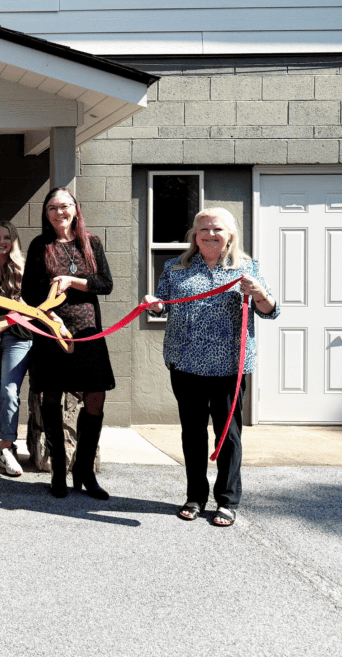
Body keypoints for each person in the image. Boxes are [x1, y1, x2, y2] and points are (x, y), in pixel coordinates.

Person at [143, 208, 278, 527]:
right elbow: (163, 306)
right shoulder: (176, 268)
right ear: (194, 235)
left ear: (230, 234)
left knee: (227, 435)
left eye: (216, 228)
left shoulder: (246, 268)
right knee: (192, 433)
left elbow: (270, 311)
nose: (209, 233)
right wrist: (156, 305)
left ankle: (227, 500)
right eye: (202, 229)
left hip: (229, 366)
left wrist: (257, 292)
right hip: (185, 363)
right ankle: (195, 496)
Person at [21, 187, 114, 500]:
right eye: (51, 208)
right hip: (51, 332)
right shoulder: (39, 246)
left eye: (64, 206)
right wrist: (50, 319)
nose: (58, 213)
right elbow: (30, 296)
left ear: (75, 208)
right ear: (46, 214)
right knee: (51, 399)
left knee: (96, 397)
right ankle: (58, 470)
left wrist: (73, 281)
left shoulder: (92, 243)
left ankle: (84, 471)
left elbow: (105, 284)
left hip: (87, 331)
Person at [0, 221, 32, 477]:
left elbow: (26, 310)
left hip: (18, 337)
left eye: (6, 237)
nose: (1, 242)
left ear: (14, 241)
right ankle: (5, 444)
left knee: (10, 392)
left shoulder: (22, 269)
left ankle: (6, 447)